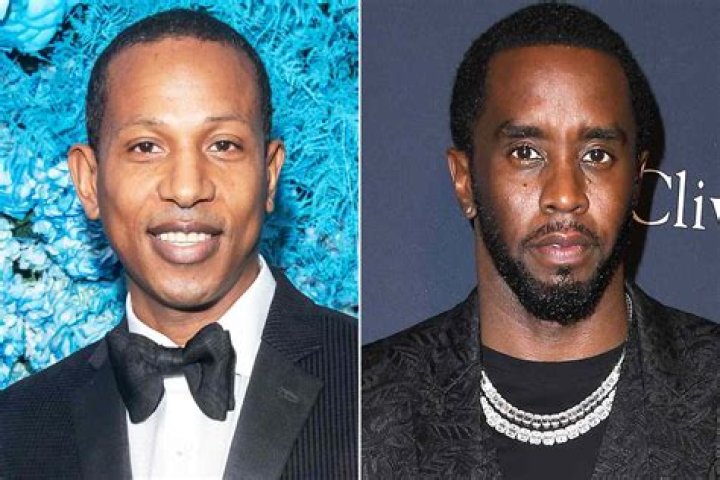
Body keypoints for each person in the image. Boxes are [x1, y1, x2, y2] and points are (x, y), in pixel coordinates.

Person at [362, 3, 719, 478]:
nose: (566, 195)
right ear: (465, 180)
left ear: (637, 179)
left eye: (597, 155)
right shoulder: (364, 407)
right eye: (526, 152)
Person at [0, 8, 356, 479]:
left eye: (223, 145)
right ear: (88, 181)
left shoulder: (368, 381)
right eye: (146, 147)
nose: (187, 189)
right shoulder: (14, 430)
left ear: (269, 175)